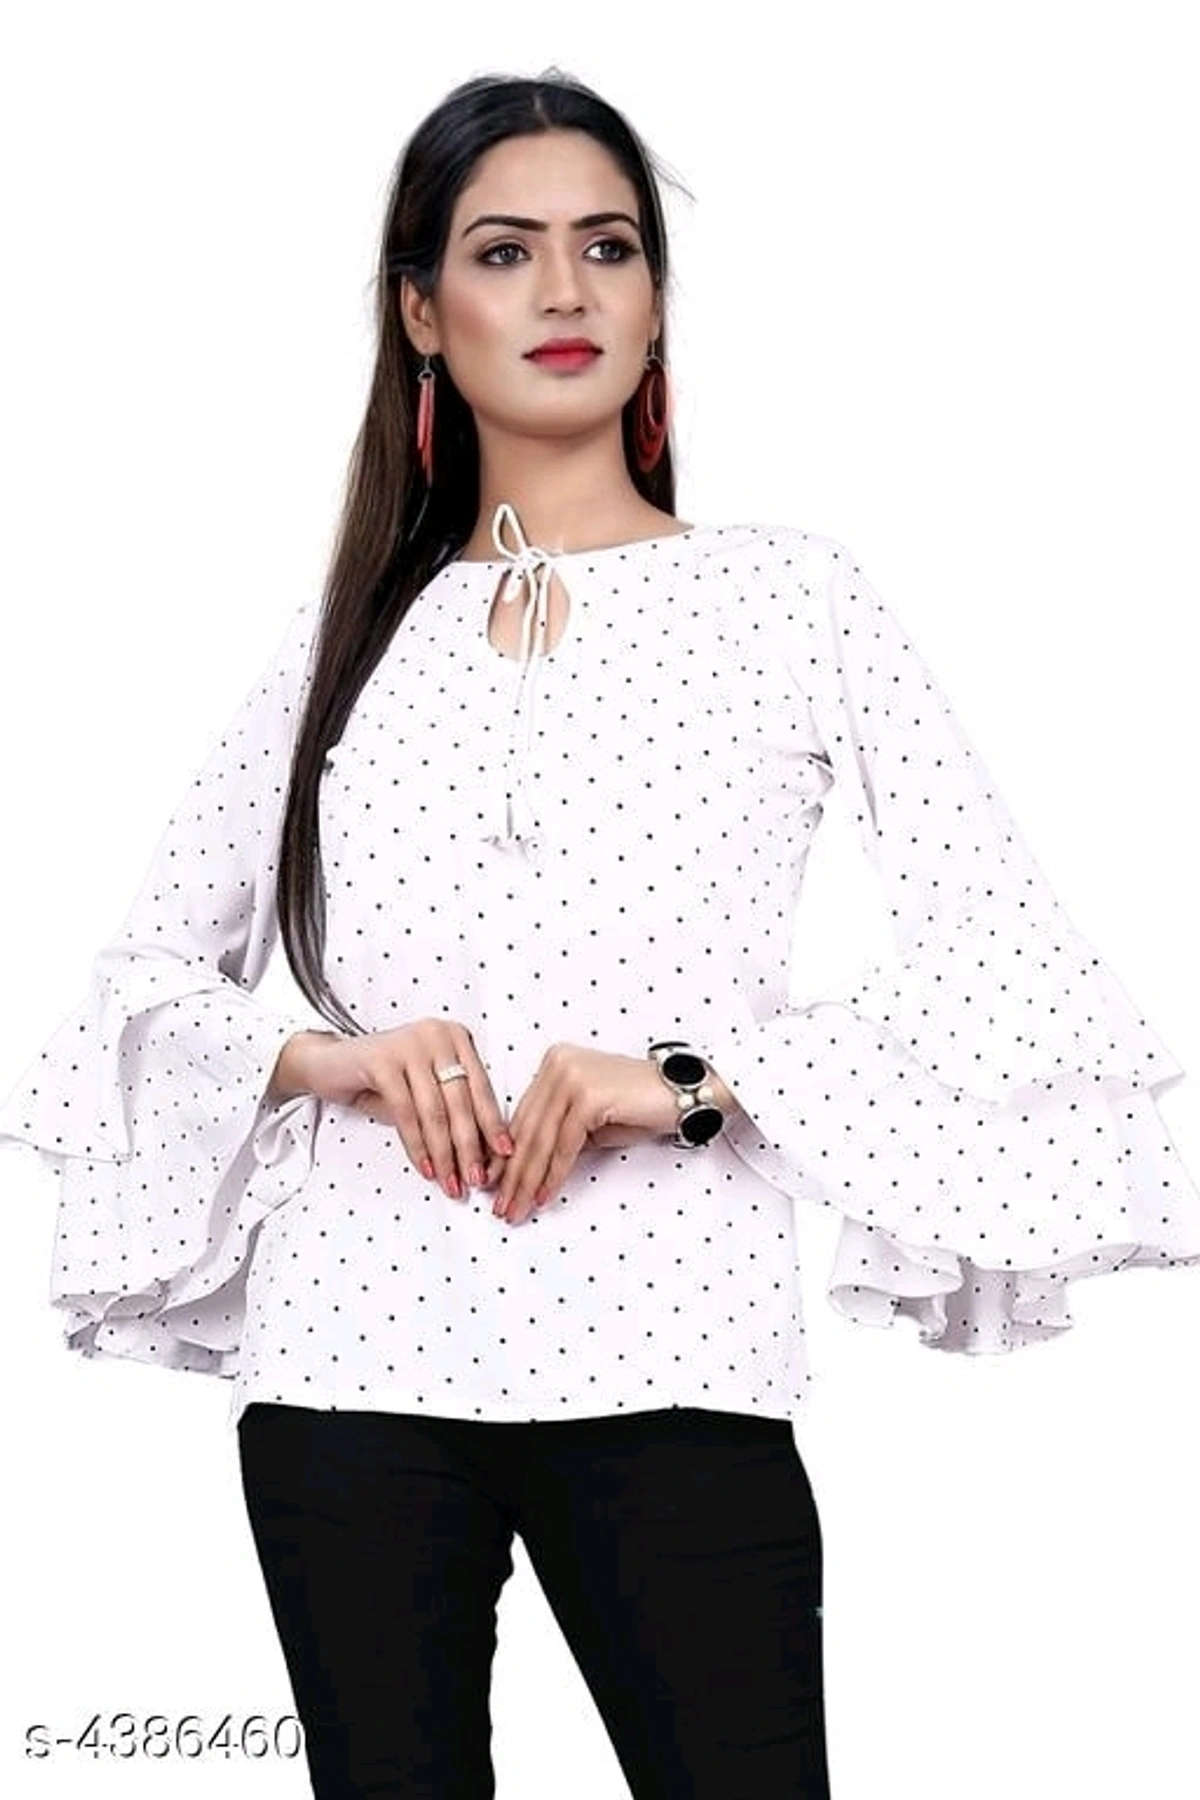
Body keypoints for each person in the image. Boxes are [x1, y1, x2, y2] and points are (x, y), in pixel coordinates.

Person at [4, 67, 1199, 1800]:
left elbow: (1007, 959)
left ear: (652, 302)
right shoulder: (348, 634)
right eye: (504, 251)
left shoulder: (790, 598)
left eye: (609, 247)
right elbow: (141, 983)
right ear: (424, 313)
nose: (564, 290)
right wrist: (330, 1056)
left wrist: (693, 1082)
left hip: (672, 1358)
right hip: (350, 1367)